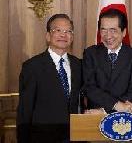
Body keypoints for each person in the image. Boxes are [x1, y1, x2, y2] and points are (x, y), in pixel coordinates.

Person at [17, 14, 84, 143]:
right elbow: (25, 111)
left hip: (76, 136)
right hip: (43, 137)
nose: (63, 35)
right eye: (57, 30)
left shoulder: (79, 65)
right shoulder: (32, 67)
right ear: (48, 36)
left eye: (68, 31)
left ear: (72, 37)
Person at [83, 9, 132, 114]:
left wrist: (105, 110)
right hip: (95, 117)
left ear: (124, 32)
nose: (108, 36)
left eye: (113, 30)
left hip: (122, 116)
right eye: (103, 30)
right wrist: (116, 105)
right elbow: (89, 88)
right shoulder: (90, 53)